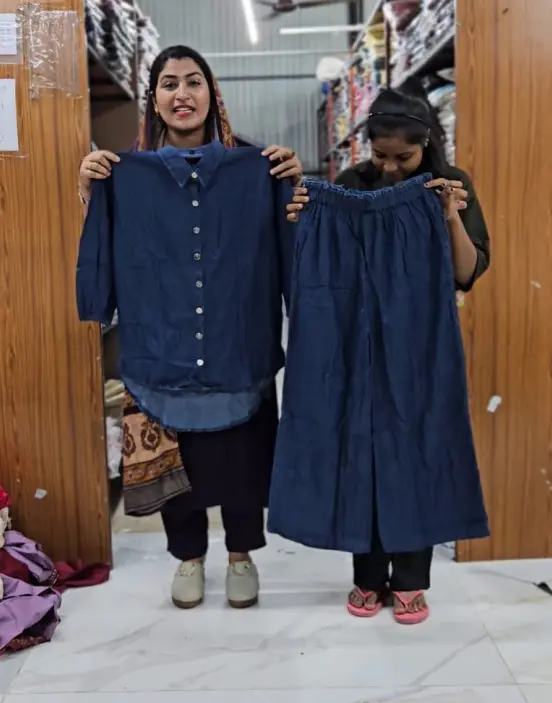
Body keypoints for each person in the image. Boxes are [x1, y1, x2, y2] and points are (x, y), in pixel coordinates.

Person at [77, 45, 303, 611]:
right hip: (161, 348)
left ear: (212, 92)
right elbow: (101, 244)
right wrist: (89, 192)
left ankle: (242, 554)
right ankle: (189, 556)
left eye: (194, 81)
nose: (182, 94)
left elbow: (292, 251)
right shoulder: (121, 175)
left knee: (243, 461)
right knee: (179, 465)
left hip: (239, 346)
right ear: (153, 99)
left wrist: (294, 189)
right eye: (169, 83)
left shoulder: (262, 168)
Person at [287, 87, 490, 623]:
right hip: (355, 331)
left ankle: (412, 577)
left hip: (421, 334)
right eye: (381, 155)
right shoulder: (351, 184)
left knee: (419, 439)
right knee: (360, 440)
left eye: (404, 157)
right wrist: (307, 219)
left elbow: (467, 271)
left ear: (428, 145)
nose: (391, 167)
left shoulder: (449, 185)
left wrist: (448, 217)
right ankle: (368, 574)